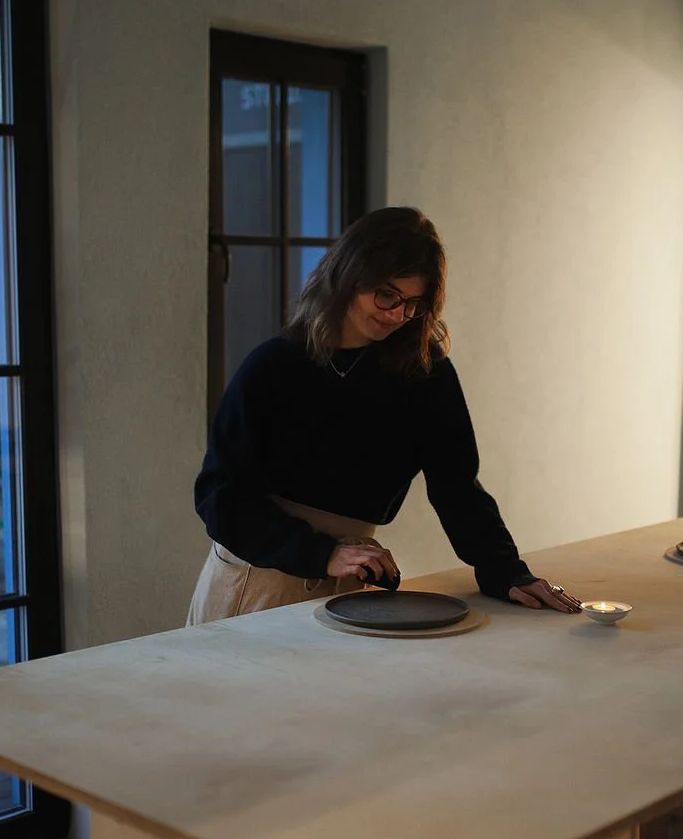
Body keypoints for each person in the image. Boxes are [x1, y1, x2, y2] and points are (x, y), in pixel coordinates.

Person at [188, 206, 580, 624]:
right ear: (349, 276)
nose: (397, 315)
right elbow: (220, 494)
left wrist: (505, 571)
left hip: (348, 582)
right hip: (255, 579)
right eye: (387, 295)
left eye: (414, 304)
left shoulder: (424, 373)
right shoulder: (276, 365)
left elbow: (457, 487)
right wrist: (322, 552)